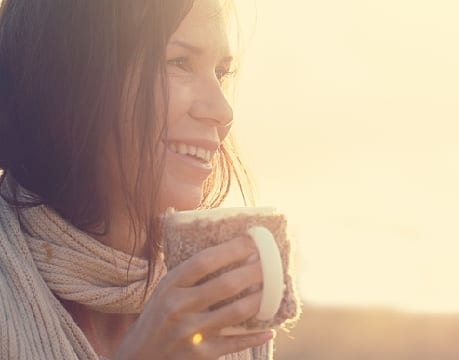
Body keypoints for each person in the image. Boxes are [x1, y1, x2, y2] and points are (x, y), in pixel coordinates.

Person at [0, 0, 275, 359]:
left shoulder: (228, 306)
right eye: (179, 62)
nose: (223, 112)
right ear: (72, 77)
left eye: (221, 72)